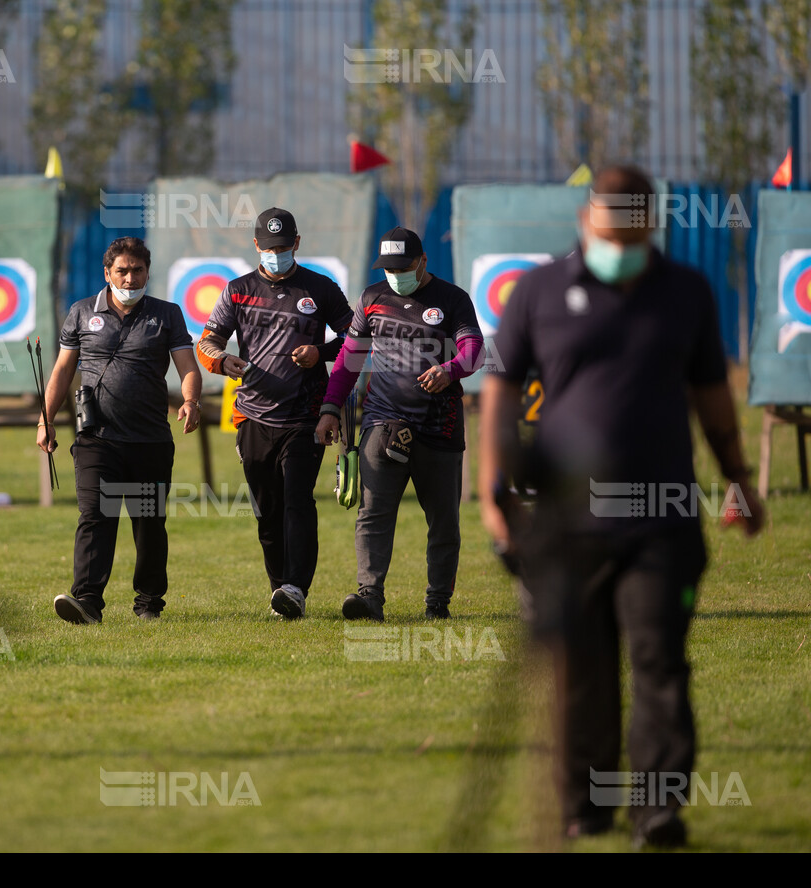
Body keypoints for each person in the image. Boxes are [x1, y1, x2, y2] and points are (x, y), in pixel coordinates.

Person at [478, 165, 764, 848]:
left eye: (633, 235)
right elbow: (501, 388)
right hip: (566, 526)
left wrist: (739, 478)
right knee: (581, 667)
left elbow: (713, 398)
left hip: (662, 519)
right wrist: (494, 490)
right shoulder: (539, 291)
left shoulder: (685, 293)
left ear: (650, 227)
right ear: (587, 221)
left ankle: (658, 809)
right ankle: (586, 802)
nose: (620, 246)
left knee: (660, 659)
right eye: (610, 233)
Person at [316, 227, 484, 621]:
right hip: (383, 418)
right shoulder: (372, 298)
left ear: (422, 262)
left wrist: (450, 370)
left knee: (443, 521)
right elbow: (348, 361)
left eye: (403, 267)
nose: (396, 275)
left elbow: (473, 350)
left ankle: (437, 602)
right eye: (389, 268)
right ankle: (369, 596)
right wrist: (329, 408)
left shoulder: (452, 299)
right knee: (372, 512)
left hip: (440, 425)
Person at [197, 208, 354, 618]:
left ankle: (295, 588)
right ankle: (279, 590)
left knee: (298, 502)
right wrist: (220, 361)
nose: (276, 255)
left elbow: (358, 340)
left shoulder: (321, 289)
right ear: (256, 247)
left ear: (297, 244)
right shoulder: (237, 290)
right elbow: (207, 342)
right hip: (252, 416)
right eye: (269, 249)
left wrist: (321, 352)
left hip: (306, 417)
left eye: (284, 248)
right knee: (267, 509)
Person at [39, 237, 202, 624]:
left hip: (149, 441)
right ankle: (88, 602)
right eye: (122, 271)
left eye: (138, 270)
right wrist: (44, 420)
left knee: (148, 526)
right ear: (107, 273)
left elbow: (188, 366)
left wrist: (191, 400)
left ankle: (149, 603)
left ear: (148, 272)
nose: (130, 278)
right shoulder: (80, 312)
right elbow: (62, 371)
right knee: (95, 516)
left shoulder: (167, 314)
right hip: (97, 440)